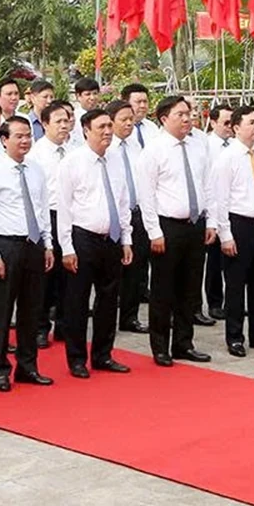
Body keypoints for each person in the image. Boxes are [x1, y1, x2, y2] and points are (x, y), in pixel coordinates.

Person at [137, 96, 215, 367]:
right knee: (163, 289)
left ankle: (184, 343)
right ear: (164, 118)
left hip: (195, 225)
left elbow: (208, 186)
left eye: (189, 113)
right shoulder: (154, 150)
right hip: (167, 226)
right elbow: (145, 195)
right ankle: (160, 346)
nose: (187, 118)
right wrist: (154, 232)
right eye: (180, 114)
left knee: (190, 288)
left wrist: (211, 222)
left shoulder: (198, 146)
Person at [0, 116, 55, 391]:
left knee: (31, 309)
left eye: (27, 136)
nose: (25, 141)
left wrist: (47, 244)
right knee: (2, 310)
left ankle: (28, 366)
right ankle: (0, 368)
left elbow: (42, 209)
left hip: (33, 244)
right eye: (18, 136)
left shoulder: (36, 169)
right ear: (4, 139)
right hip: (7, 245)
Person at [56, 108, 133, 378]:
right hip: (83, 238)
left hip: (110, 238)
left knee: (109, 298)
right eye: (101, 127)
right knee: (77, 300)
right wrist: (66, 247)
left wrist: (126, 238)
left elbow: (123, 202)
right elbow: (64, 208)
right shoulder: (73, 162)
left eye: (110, 126)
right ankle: (76, 358)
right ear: (86, 130)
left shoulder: (116, 160)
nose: (107, 132)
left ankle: (103, 354)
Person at [206, 105, 254, 358]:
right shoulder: (227, 158)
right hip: (238, 225)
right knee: (236, 285)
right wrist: (225, 235)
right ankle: (235, 336)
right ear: (237, 127)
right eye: (251, 122)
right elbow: (220, 199)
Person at [27, 100, 74, 347]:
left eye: (67, 121)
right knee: (46, 277)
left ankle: (65, 326)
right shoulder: (36, 155)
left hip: (73, 217)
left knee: (70, 276)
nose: (64, 126)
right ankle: (40, 326)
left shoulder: (76, 149)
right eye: (58, 121)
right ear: (44, 124)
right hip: (48, 217)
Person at [108, 100, 150, 335]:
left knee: (136, 267)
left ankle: (129, 316)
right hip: (114, 217)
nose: (128, 123)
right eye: (123, 119)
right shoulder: (106, 147)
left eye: (131, 119)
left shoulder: (136, 146)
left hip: (137, 213)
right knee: (114, 269)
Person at [202, 104, 235, 323]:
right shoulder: (206, 146)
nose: (229, 127)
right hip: (214, 208)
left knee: (233, 261)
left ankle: (233, 303)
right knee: (214, 261)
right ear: (213, 123)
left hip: (235, 209)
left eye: (232, 123)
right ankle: (214, 302)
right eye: (225, 123)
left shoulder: (235, 145)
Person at [120, 82, 159, 148]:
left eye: (145, 101)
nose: (143, 106)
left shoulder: (152, 127)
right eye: (138, 102)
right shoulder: (119, 128)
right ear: (125, 103)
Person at [67, 77, 101, 146]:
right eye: (88, 94)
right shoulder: (73, 118)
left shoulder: (103, 116)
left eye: (95, 93)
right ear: (78, 96)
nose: (92, 98)